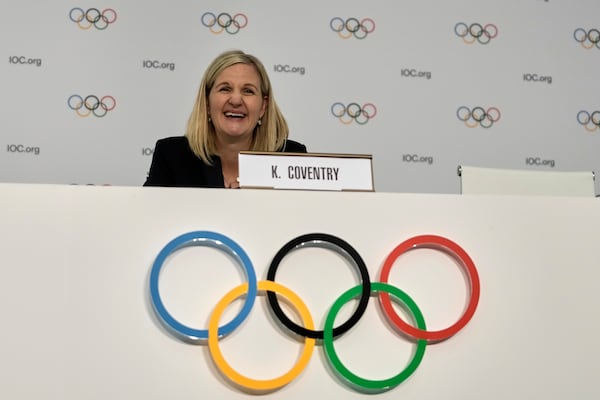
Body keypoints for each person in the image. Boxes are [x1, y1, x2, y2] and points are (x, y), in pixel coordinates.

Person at [144, 49, 307, 188]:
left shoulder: (292, 158)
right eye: (225, 89)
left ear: (263, 107)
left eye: (248, 91)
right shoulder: (172, 156)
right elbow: (148, 217)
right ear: (207, 103)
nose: (236, 100)